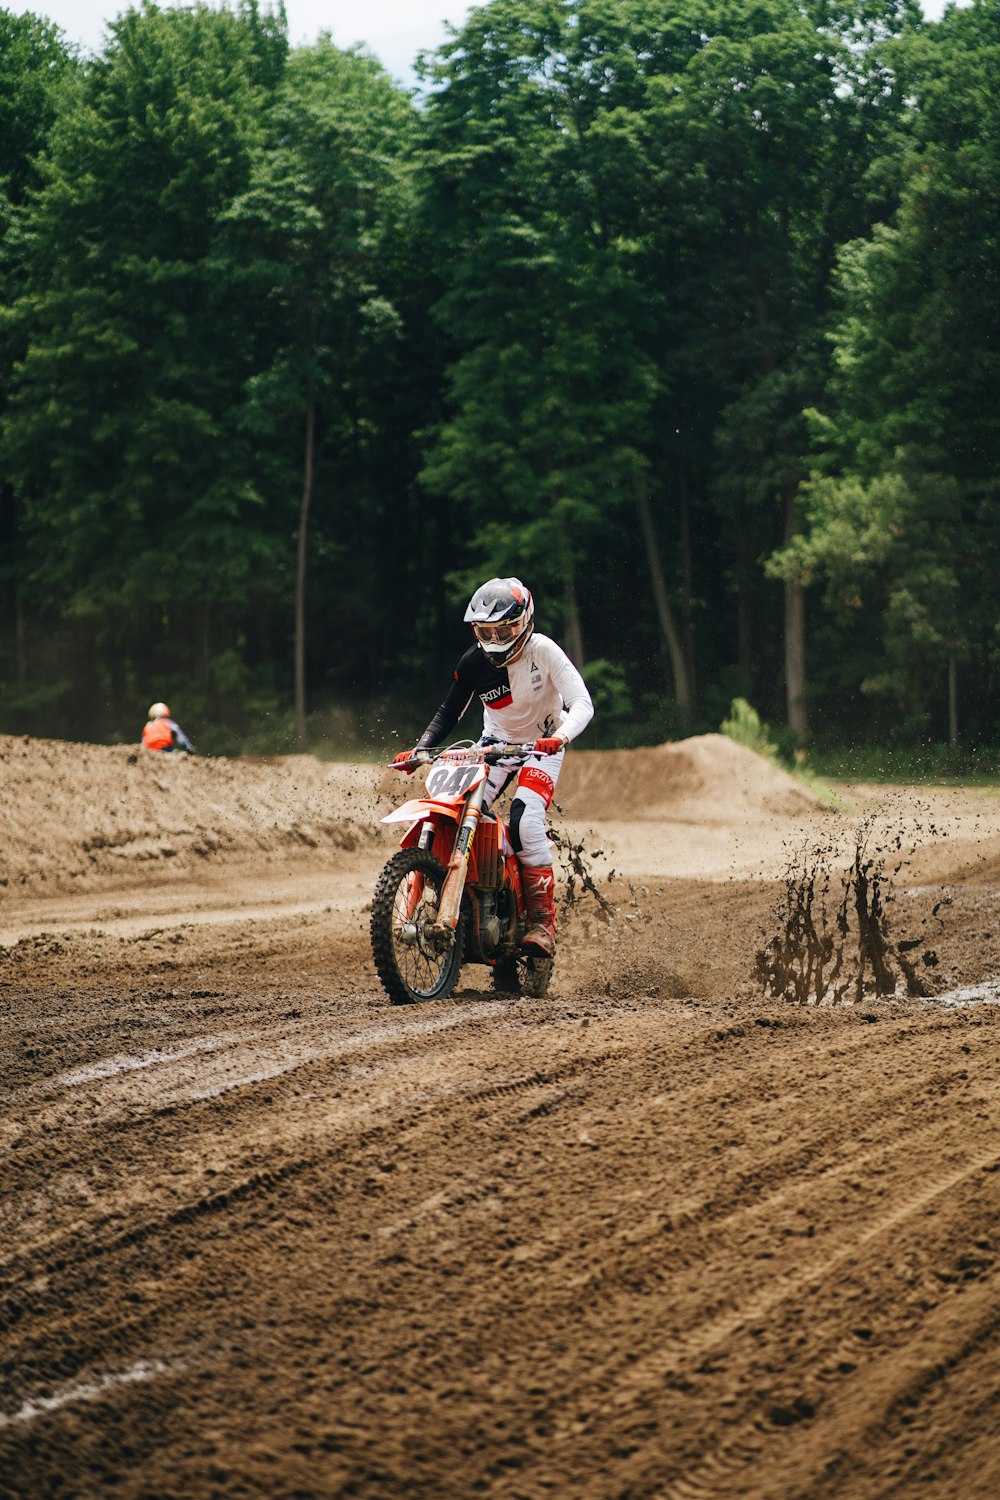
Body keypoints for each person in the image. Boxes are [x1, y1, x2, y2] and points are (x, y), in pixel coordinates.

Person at [393, 577, 593, 959]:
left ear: (524, 622)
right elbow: (449, 711)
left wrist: (562, 736)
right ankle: (474, 895)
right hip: (493, 747)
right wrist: (421, 749)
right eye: (486, 631)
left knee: (524, 820)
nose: (496, 639)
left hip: (542, 744)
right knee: (454, 811)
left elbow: (582, 702)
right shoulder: (473, 661)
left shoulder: (544, 651)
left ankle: (540, 921)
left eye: (504, 629)